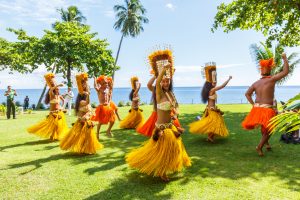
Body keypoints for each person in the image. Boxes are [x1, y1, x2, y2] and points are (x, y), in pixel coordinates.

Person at [126, 49, 191, 182]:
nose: (165, 83)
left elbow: (176, 107)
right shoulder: (159, 93)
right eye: (163, 82)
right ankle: (162, 172)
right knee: (161, 151)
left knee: (174, 149)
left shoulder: (170, 94)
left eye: (168, 81)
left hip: (170, 127)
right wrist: (160, 72)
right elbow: (157, 81)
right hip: (161, 129)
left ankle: (167, 168)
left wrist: (175, 114)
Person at [242, 53, 289, 156]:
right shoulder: (271, 79)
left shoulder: (255, 83)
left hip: (257, 109)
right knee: (269, 130)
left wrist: (254, 105)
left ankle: (266, 143)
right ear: (269, 70)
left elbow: (247, 94)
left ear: (261, 71)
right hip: (267, 109)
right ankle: (259, 147)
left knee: (265, 127)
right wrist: (285, 58)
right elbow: (285, 71)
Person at [60, 73, 103, 154]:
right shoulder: (81, 98)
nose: (85, 85)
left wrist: (91, 82)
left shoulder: (85, 94)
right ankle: (84, 149)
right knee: (82, 136)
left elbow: (88, 102)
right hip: (83, 120)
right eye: (82, 83)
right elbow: (87, 102)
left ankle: (86, 149)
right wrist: (88, 95)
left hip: (86, 119)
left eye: (85, 83)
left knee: (86, 136)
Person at [189, 62, 232, 143]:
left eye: (215, 82)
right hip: (211, 110)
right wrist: (229, 79)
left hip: (211, 109)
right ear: (209, 83)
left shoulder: (211, 90)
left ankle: (210, 137)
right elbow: (222, 86)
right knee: (215, 124)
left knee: (213, 124)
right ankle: (210, 137)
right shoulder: (212, 90)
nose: (215, 83)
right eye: (213, 82)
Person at [27, 73, 68, 141]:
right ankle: (52, 135)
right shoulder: (51, 95)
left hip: (59, 113)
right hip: (53, 113)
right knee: (53, 125)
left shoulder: (59, 96)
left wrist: (62, 107)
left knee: (58, 125)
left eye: (58, 89)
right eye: (57, 89)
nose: (58, 90)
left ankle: (55, 136)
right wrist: (58, 85)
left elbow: (64, 101)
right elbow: (51, 89)